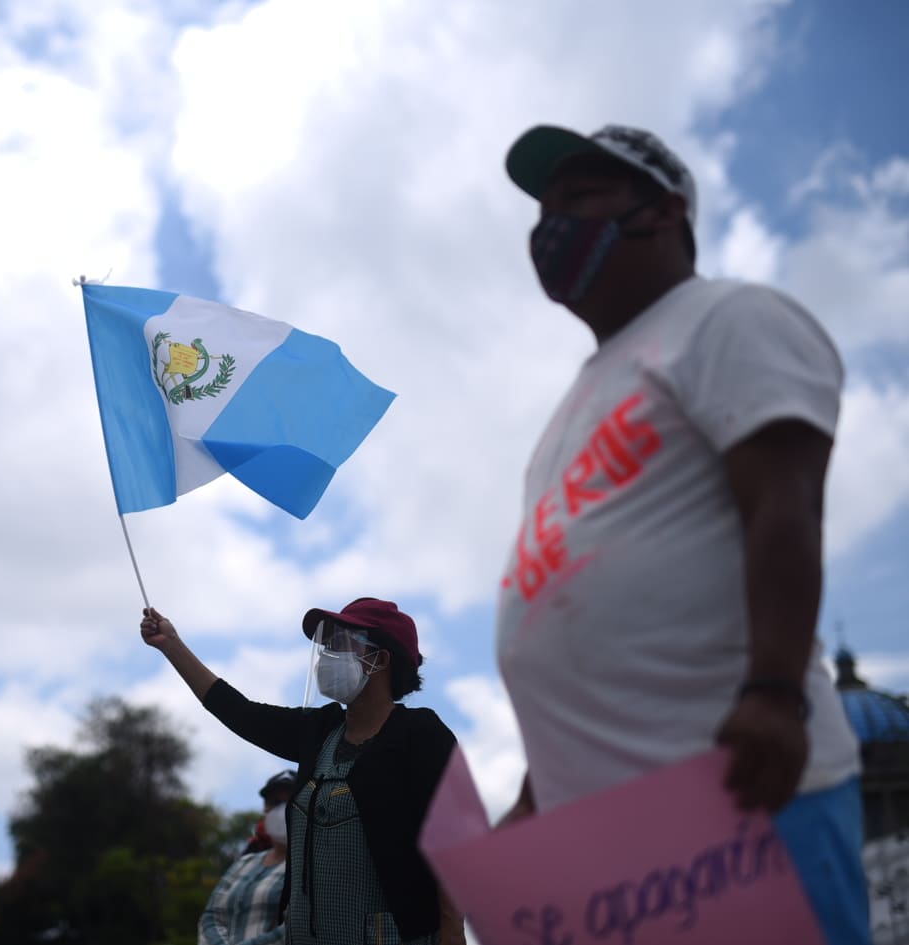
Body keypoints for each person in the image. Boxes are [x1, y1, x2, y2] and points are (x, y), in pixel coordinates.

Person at [497, 122, 870, 942]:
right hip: (611, 846)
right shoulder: (576, 404)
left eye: (580, 196)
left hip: (746, 801)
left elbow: (785, 499)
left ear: (663, 209)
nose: (550, 224)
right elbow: (568, 601)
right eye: (543, 208)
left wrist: (774, 692)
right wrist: (535, 796)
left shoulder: (728, 316)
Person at [142, 598, 465, 944]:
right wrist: (172, 646)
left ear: (381, 659)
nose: (327, 655)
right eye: (326, 645)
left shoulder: (421, 735)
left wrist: (452, 933)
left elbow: (456, 846)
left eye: (340, 644)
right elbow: (239, 712)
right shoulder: (320, 729)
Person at [199, 769, 296, 945]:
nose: (281, 810)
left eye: (290, 802)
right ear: (265, 809)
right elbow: (211, 917)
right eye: (275, 802)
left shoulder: (309, 870)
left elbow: (296, 928)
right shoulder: (244, 863)